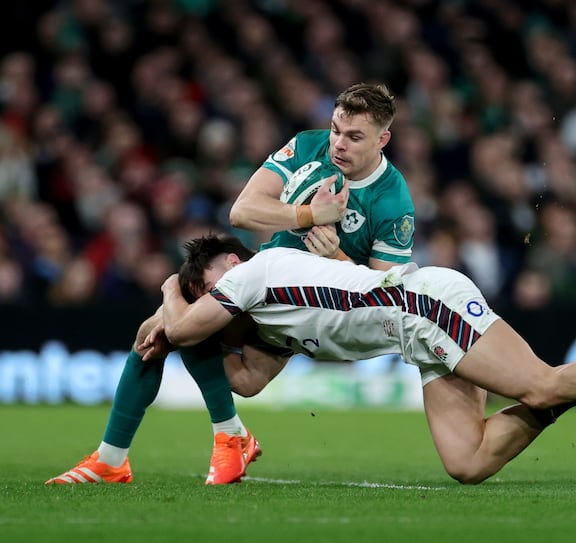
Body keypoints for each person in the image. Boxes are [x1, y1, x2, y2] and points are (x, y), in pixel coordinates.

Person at [45, 83, 417, 485]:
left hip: (317, 307)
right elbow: (242, 210)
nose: (338, 144)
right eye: (335, 130)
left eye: (354, 137)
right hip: (268, 275)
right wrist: (308, 214)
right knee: (162, 331)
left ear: (383, 139)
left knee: (233, 369)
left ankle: (228, 432)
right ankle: (114, 458)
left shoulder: (394, 201)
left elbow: (385, 293)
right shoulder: (309, 146)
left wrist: (338, 259)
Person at [158, 235, 576, 484]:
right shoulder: (266, 320)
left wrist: (167, 296)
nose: (213, 296)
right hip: (417, 337)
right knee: (468, 462)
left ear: (233, 261)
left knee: (536, 385)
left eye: (211, 285)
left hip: (427, 305)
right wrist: (198, 334)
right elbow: (248, 382)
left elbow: (182, 327)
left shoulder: (257, 272)